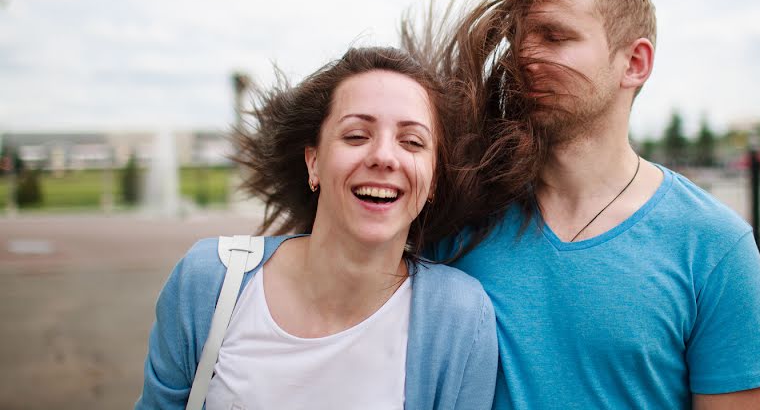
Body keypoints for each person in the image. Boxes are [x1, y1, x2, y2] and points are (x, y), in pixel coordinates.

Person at [408, 0, 760, 409]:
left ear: (635, 62)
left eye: (555, 36)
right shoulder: (458, 211)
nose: (524, 56)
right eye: (519, 40)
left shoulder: (713, 246)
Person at [135, 47, 498, 410]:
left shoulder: (461, 317)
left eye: (412, 142)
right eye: (356, 136)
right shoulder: (208, 282)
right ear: (314, 163)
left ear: (432, 180)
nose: (384, 157)